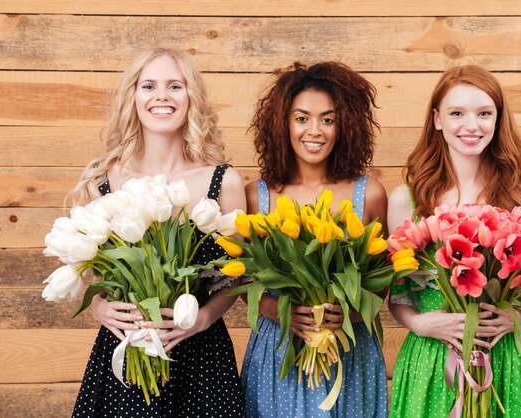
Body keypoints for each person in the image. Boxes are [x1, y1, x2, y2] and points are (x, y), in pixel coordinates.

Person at [69, 47, 246, 417]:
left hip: (201, 356)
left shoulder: (223, 181)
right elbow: (94, 272)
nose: (161, 96)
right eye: (148, 85)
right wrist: (99, 308)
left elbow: (236, 277)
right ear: (133, 97)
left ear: (191, 98)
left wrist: (204, 317)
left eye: (175, 86)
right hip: (125, 351)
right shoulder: (102, 181)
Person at [387, 65, 521, 417]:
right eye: (457, 113)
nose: (471, 126)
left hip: (504, 358)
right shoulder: (407, 199)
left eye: (484, 113)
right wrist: (420, 323)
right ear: (437, 119)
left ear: (498, 119)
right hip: (432, 358)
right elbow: (398, 295)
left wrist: (515, 319)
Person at [241, 62, 388, 417]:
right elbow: (241, 279)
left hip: (349, 353)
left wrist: (348, 313)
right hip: (277, 351)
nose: (315, 131)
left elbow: (383, 283)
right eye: (302, 118)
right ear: (282, 123)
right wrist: (274, 309)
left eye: (328, 119)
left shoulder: (368, 194)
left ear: (344, 126)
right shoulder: (254, 197)